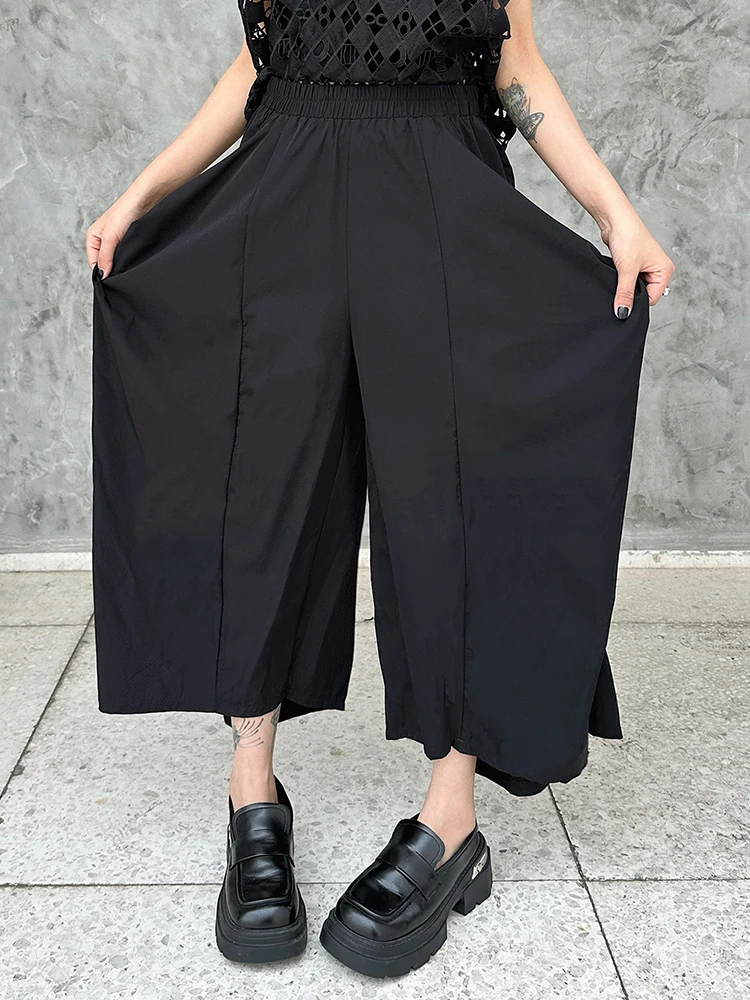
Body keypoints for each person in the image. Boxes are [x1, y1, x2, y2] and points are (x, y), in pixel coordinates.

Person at [86, 0, 674, 979]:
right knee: (258, 487)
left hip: (439, 193)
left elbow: (517, 67)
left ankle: (451, 820)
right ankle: (252, 794)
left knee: (454, 502)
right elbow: (258, 66)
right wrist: (141, 194)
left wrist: (618, 216)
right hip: (283, 189)